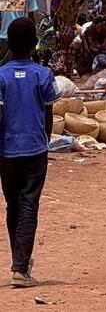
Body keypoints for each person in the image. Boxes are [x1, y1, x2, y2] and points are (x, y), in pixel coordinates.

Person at [0, 17, 57, 288]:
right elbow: (48, 112)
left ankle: (19, 261)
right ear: (35, 44)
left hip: (7, 151)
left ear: (8, 44)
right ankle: (20, 267)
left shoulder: (1, 76)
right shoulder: (42, 74)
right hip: (35, 148)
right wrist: (45, 140)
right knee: (28, 205)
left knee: (13, 204)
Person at [0, 0, 38, 66]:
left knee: (5, 67)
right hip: (24, 37)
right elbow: (31, 19)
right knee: (25, 65)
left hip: (5, 36)